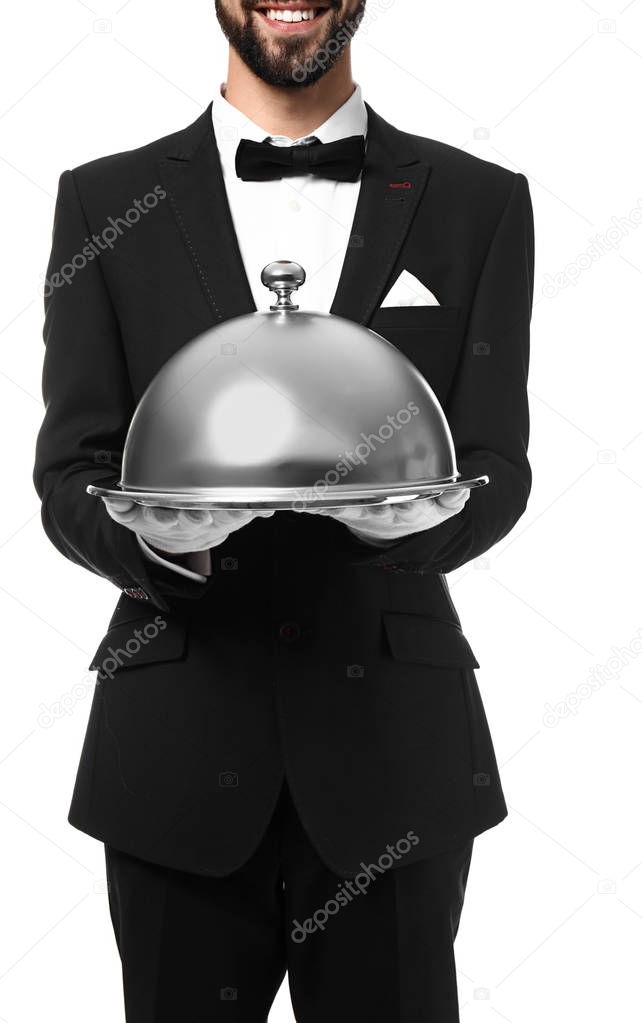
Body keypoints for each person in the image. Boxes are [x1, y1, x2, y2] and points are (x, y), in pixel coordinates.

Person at [34, 1, 534, 1020]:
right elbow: (69, 471)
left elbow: (495, 461)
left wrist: (424, 527)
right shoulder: (105, 201)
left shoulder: (478, 200)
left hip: (395, 753)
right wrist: (153, 544)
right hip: (171, 749)